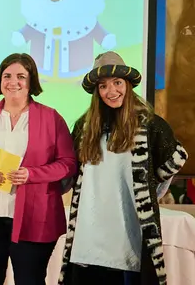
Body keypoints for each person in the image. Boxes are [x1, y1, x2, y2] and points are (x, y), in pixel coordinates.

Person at [59, 52, 188, 285]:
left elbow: (174, 159)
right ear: (97, 91)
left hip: (129, 230)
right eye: (103, 86)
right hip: (91, 230)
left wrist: (149, 192)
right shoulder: (85, 126)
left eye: (117, 83)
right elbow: (70, 168)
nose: (111, 91)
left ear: (127, 85)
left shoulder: (149, 123)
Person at [0, 53, 77, 285]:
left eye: (21, 76)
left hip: (35, 216)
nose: (13, 82)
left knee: (30, 281)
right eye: (7, 76)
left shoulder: (52, 118)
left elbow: (68, 163)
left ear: (31, 82)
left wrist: (32, 175)